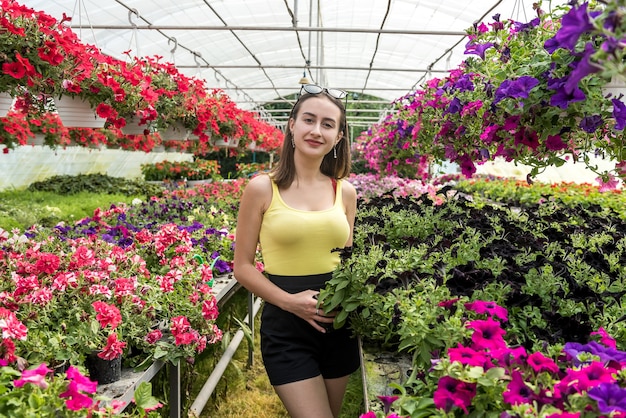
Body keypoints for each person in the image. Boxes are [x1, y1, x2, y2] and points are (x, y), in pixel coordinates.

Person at [233, 83, 359, 418]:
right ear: (292, 124)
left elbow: (347, 263)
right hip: (287, 326)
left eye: (328, 124)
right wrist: (291, 303)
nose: (317, 131)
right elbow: (242, 267)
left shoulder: (345, 192)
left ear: (339, 137)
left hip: (339, 323)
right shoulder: (262, 188)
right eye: (309, 120)